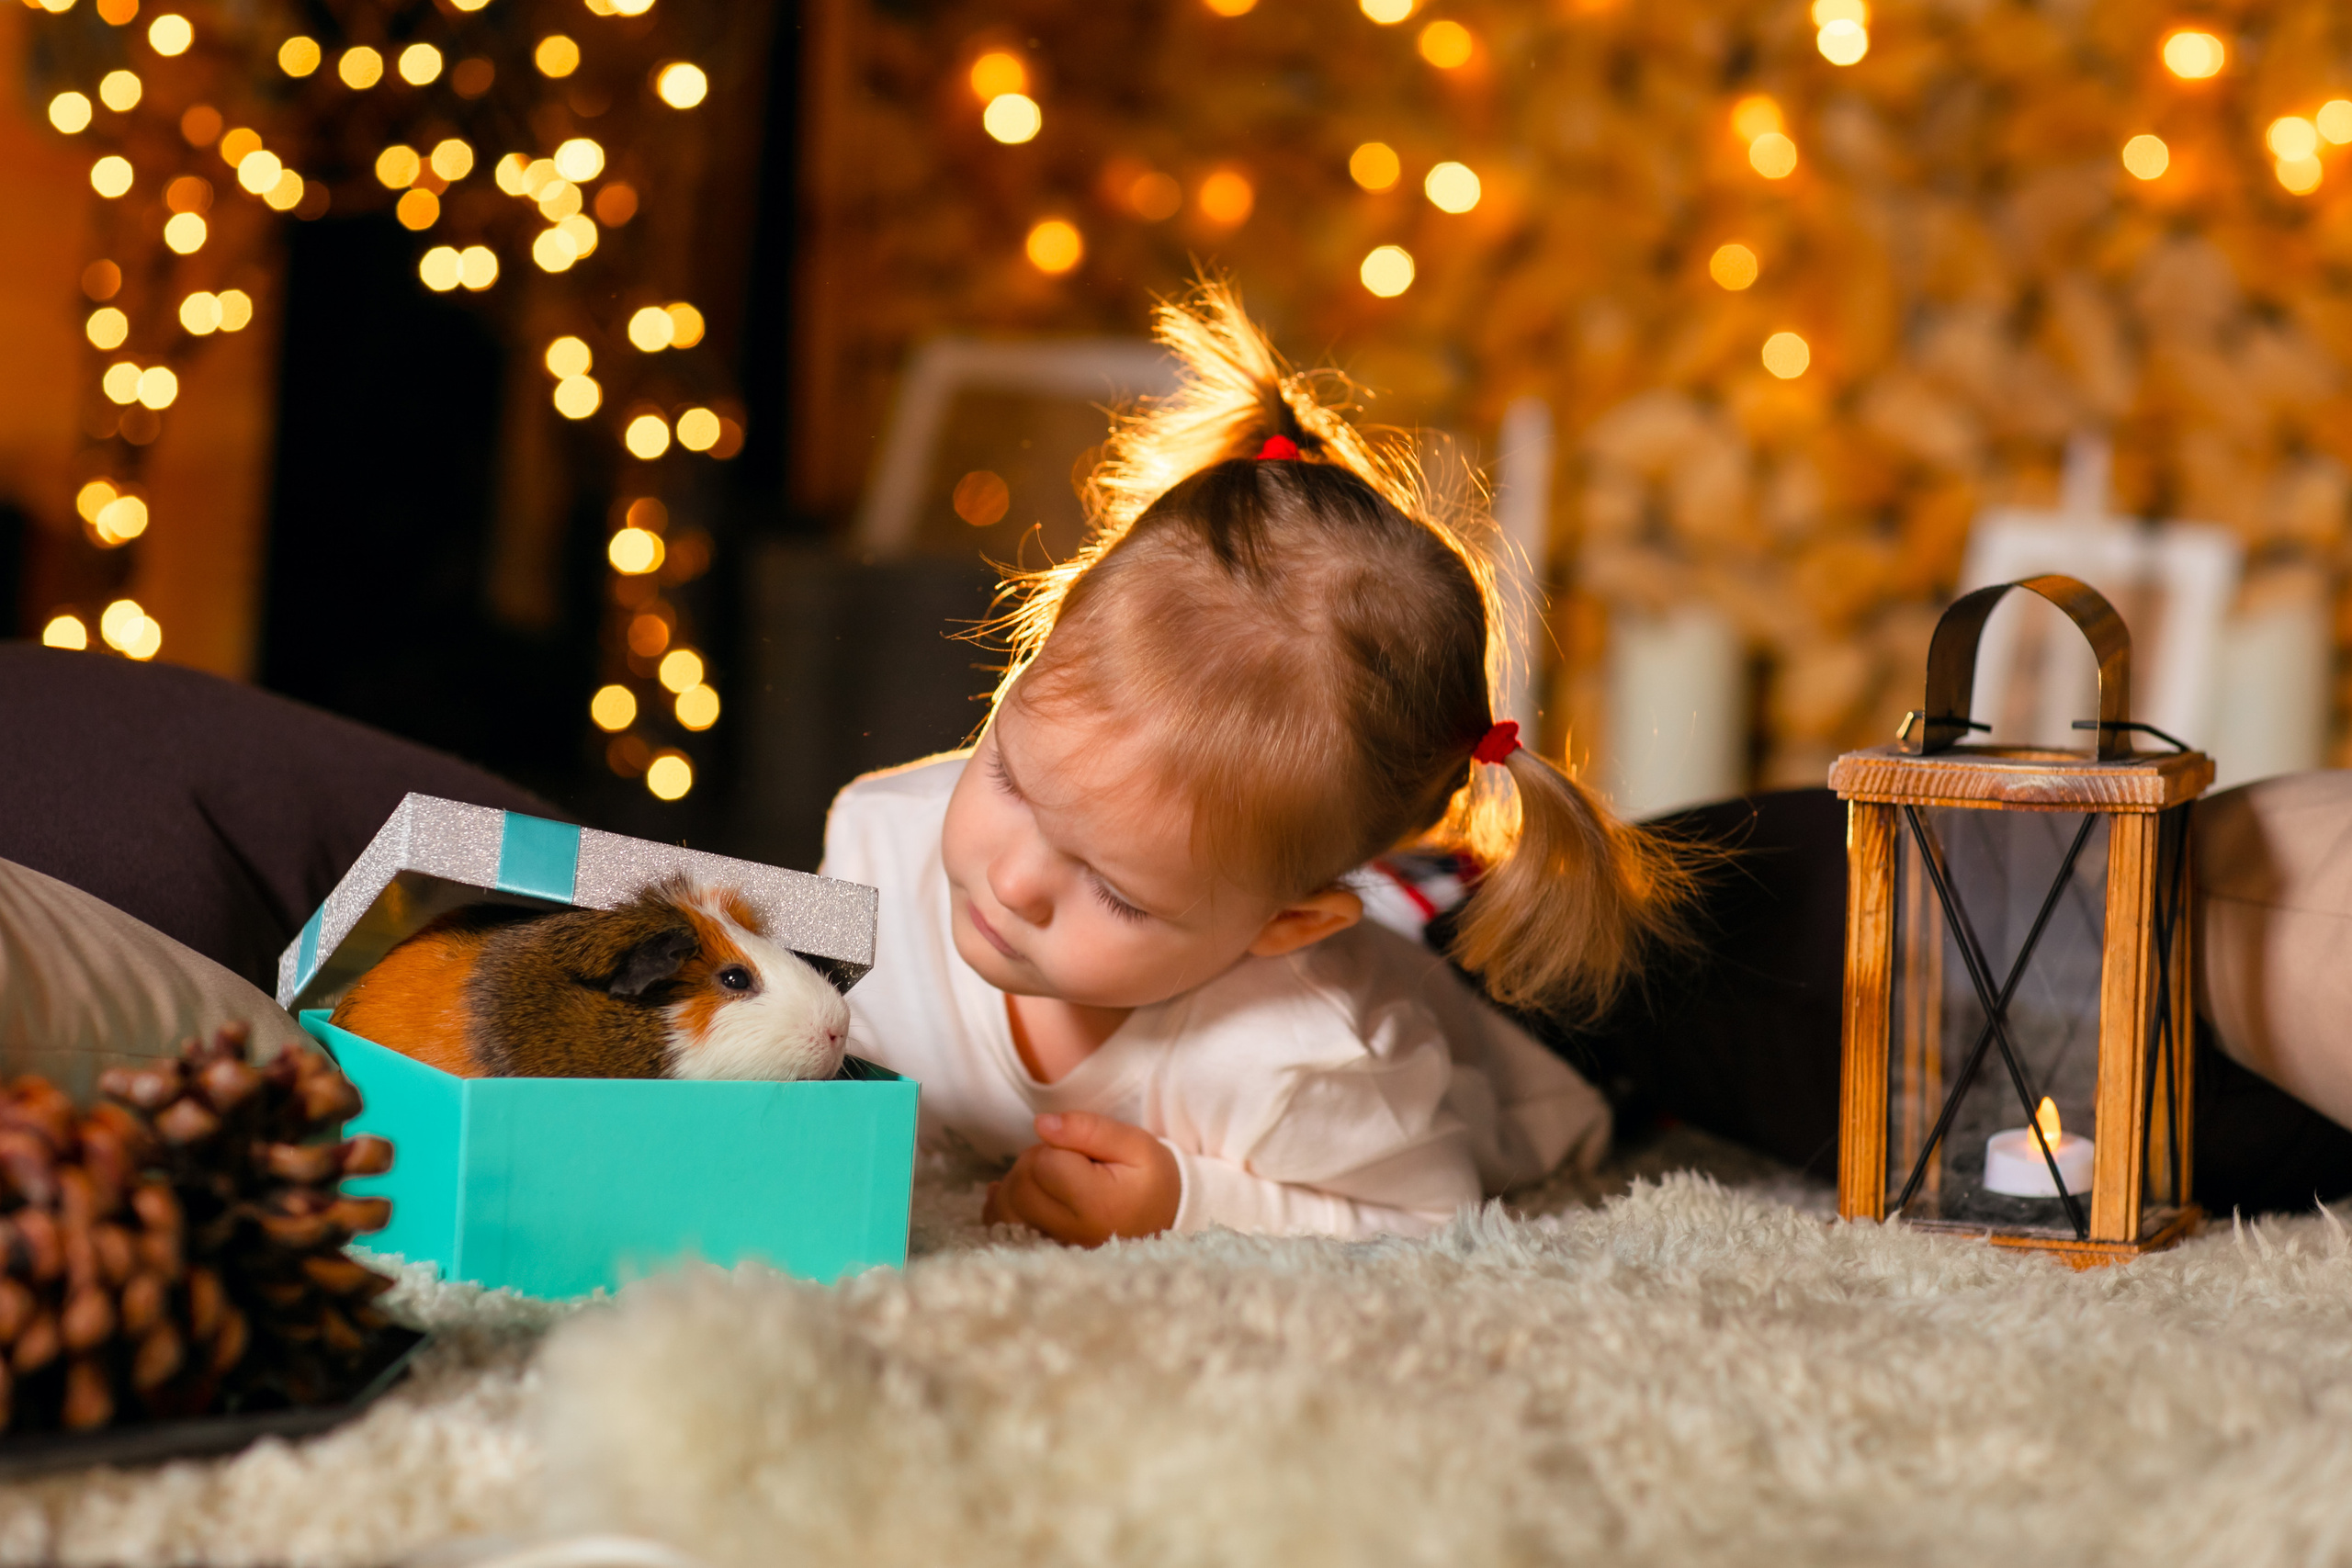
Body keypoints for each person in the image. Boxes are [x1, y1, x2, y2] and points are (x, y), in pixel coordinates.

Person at [820, 282, 1690, 1246]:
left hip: (1534, 1026)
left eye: (1115, 892)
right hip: (1357, 903)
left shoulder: (1312, 1060)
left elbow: (1431, 1212)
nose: (1012, 880)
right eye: (1012, 780)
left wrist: (1185, 1201)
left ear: (1284, 927)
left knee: (1658, 988)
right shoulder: (878, 848)